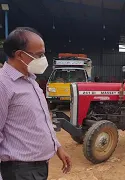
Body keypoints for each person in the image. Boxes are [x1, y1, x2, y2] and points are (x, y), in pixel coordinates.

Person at [0, 27, 72, 180]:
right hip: (19, 171)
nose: (43, 59)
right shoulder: (3, 84)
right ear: (19, 55)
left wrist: (58, 148)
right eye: (39, 55)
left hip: (37, 167)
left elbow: (42, 120)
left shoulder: (31, 81)